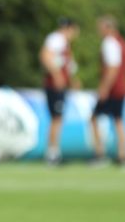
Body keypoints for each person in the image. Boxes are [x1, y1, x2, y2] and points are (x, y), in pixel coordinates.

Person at [38, 17, 80, 165]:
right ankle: (52, 154)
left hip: (60, 86)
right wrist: (57, 76)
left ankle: (54, 151)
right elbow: (45, 55)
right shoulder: (57, 39)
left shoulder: (63, 43)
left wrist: (71, 80)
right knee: (57, 118)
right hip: (55, 86)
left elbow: (65, 65)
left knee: (58, 118)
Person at [90, 15, 125, 167]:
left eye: (100, 27)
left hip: (113, 89)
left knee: (93, 118)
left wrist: (104, 88)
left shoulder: (109, 43)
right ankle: (123, 155)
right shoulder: (121, 43)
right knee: (118, 120)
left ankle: (100, 153)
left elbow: (113, 69)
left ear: (108, 28)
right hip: (121, 88)